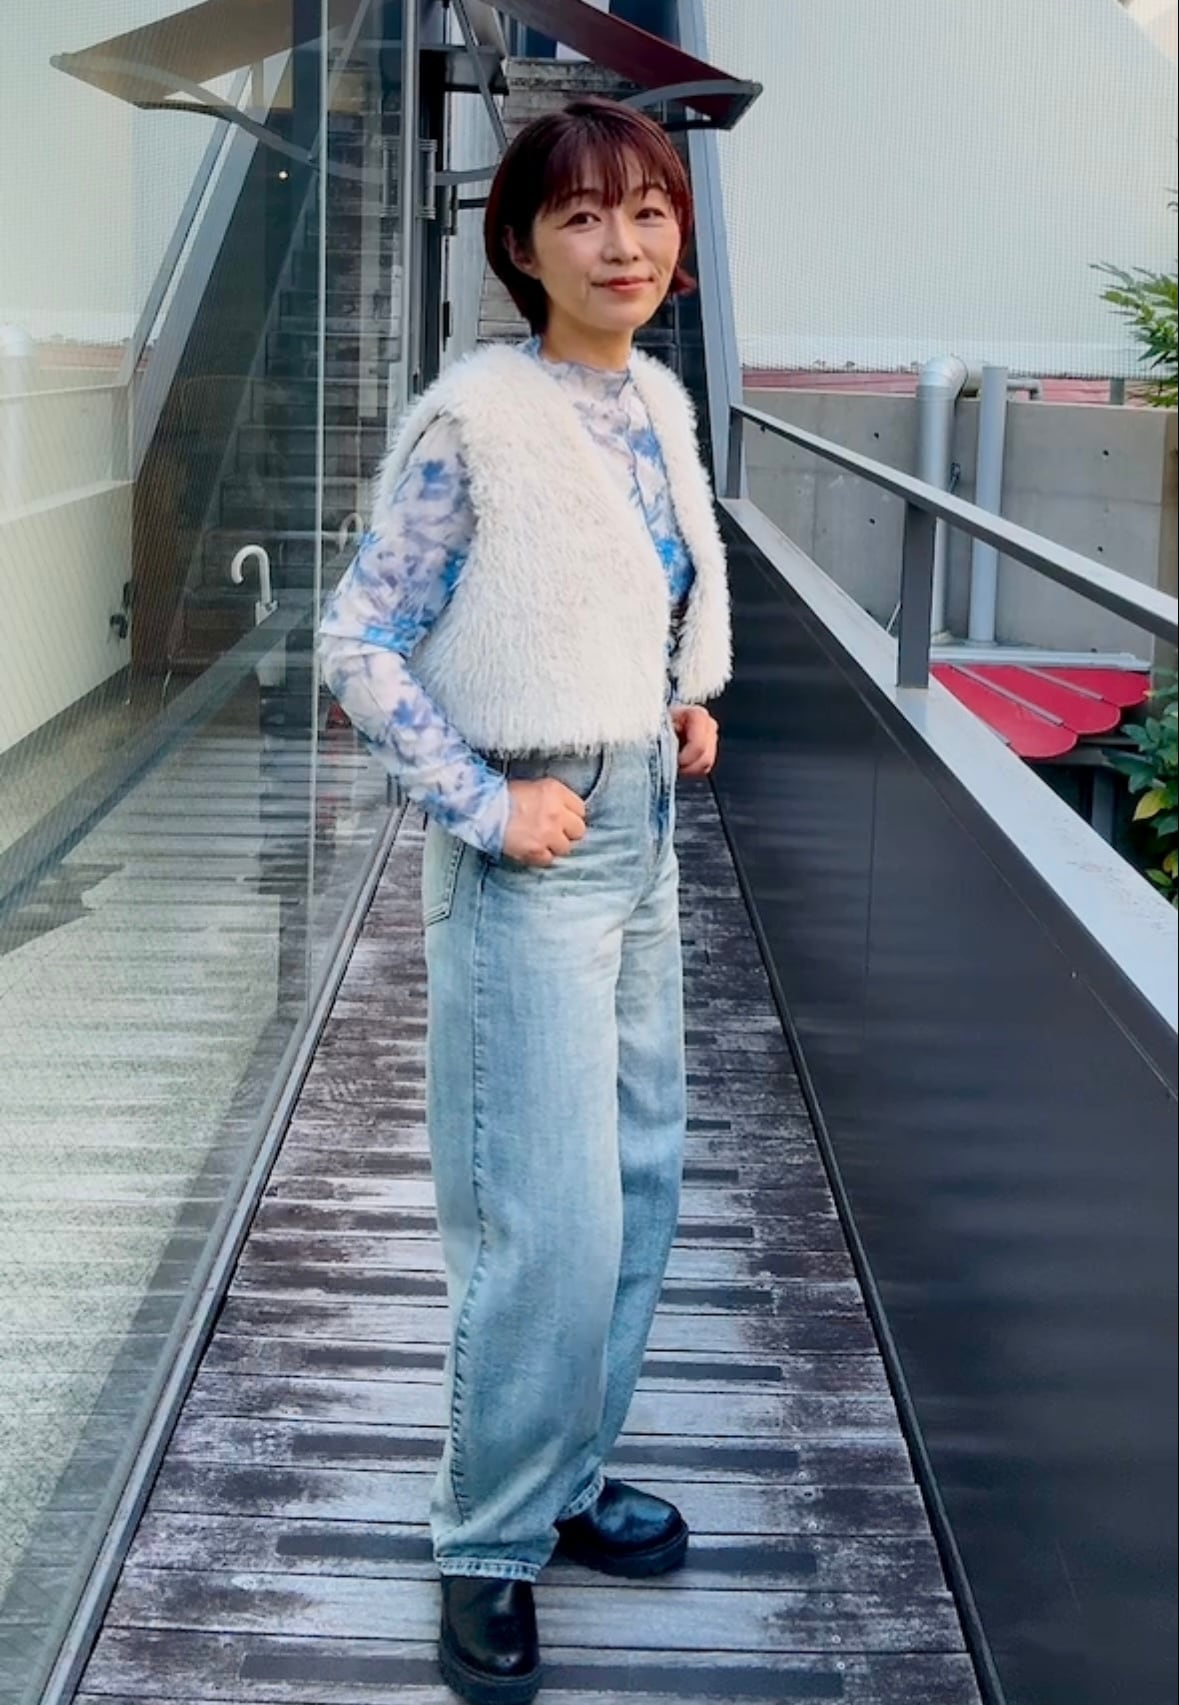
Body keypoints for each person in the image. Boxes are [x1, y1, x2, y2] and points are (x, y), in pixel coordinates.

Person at [318, 95, 731, 1705]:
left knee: (635, 1185)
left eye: (648, 211)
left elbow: (629, 595)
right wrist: (488, 801)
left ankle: (566, 1477)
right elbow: (359, 642)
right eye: (582, 215)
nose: (622, 243)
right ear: (521, 245)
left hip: (640, 830)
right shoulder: (476, 420)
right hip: (532, 852)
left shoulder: (658, 404)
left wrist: (678, 697)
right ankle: (487, 1538)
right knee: (540, 1218)